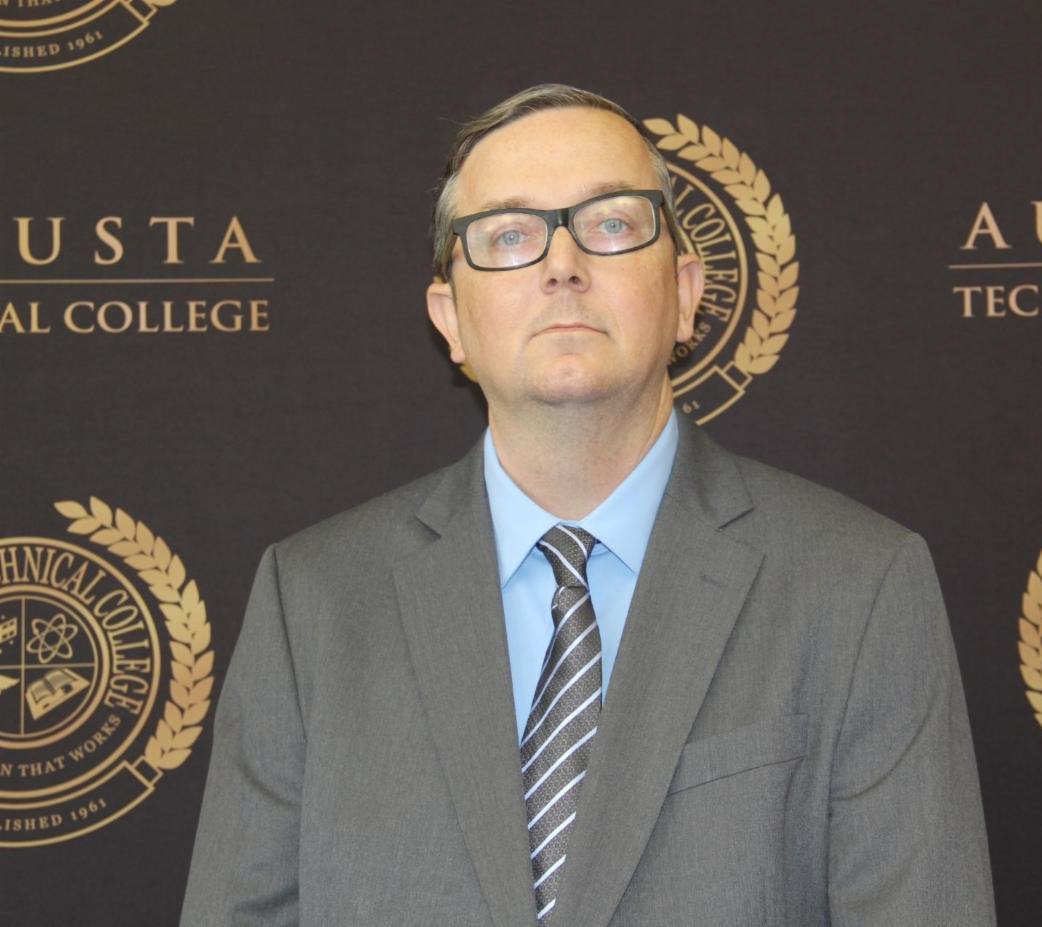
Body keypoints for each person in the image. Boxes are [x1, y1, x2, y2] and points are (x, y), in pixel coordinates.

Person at [181, 84, 996, 926]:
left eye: (610, 223)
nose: (562, 265)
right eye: (509, 235)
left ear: (685, 293)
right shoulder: (310, 601)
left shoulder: (859, 586)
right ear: (449, 319)